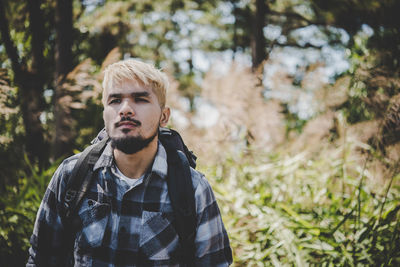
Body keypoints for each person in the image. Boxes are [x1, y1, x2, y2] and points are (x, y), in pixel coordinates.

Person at [27, 59, 232, 266]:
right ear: (105, 114)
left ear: (164, 116)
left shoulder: (193, 189)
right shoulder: (71, 176)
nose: (125, 109)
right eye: (114, 100)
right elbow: (40, 260)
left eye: (140, 99)